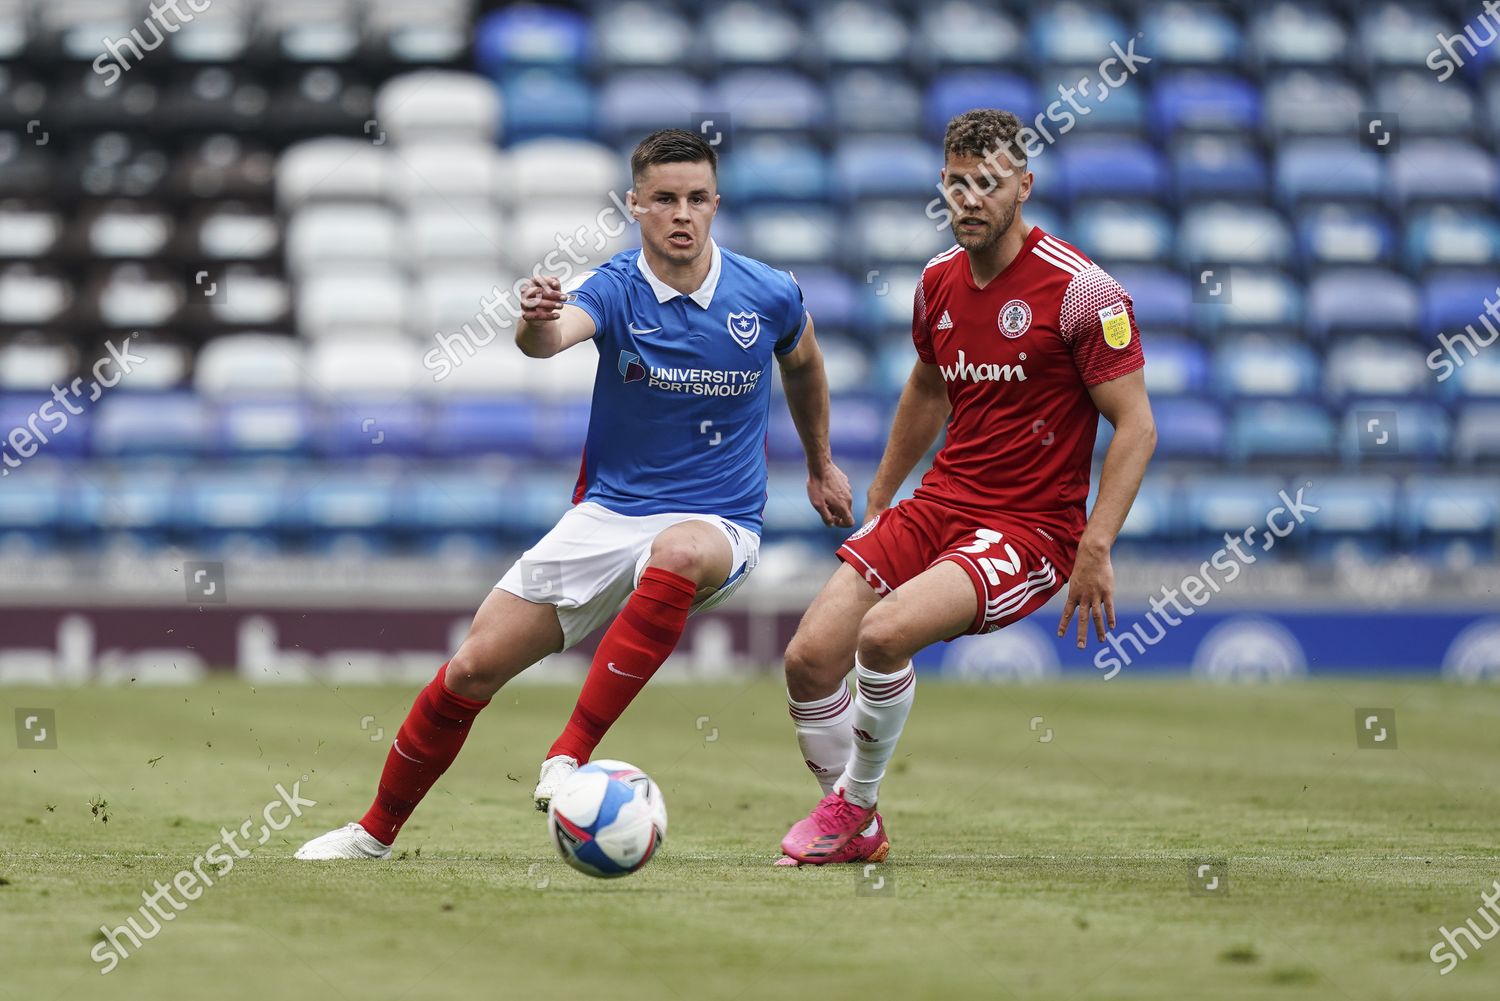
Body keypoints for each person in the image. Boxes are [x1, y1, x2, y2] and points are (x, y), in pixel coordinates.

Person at [296, 128, 853, 860]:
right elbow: (551, 339)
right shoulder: (616, 286)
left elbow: (805, 364)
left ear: (716, 203)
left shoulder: (768, 293)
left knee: (679, 551)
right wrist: (533, 317)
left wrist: (820, 465)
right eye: (663, 200)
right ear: (635, 205)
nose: (681, 213)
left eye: (695, 198)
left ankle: (569, 752)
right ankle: (372, 833)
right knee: (470, 668)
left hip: (719, 521)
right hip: (609, 514)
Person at [777, 109, 1157, 866]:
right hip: (942, 504)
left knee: (882, 636)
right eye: (957, 184)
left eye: (988, 183)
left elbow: (1137, 424)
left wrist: (1096, 542)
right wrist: (884, 490)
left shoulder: (1083, 293)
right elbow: (927, 385)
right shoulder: (937, 283)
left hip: (1030, 531)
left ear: (1024, 186)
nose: (970, 199)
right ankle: (856, 820)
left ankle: (852, 808)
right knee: (810, 657)